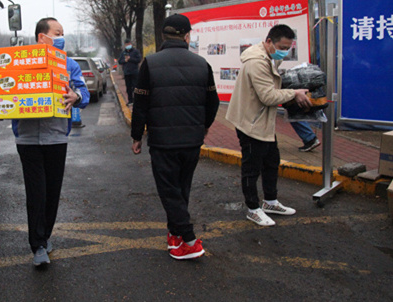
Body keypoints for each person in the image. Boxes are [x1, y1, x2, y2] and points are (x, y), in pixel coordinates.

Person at [131, 14, 220, 260]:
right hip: (191, 141)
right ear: (187, 35)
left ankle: (189, 240)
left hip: (162, 142)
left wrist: (137, 136)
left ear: (163, 35)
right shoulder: (202, 64)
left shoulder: (150, 63)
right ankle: (175, 238)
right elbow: (213, 102)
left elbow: (141, 104)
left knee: (170, 191)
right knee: (181, 189)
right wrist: (204, 127)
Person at [12, 17, 90, 266]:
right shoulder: (19, 60)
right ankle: (38, 245)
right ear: (42, 37)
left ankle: (44, 236)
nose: (62, 37)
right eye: (58, 33)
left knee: (52, 191)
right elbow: (1, 89)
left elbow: (84, 94)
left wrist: (75, 95)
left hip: (56, 136)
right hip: (27, 138)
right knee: (36, 193)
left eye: (62, 33)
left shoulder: (69, 64)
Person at [225, 24, 311, 227]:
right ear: (269, 41)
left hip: (262, 121)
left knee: (272, 161)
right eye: (282, 46)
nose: (284, 51)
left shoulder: (268, 56)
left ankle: (270, 202)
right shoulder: (257, 62)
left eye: (288, 48)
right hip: (251, 122)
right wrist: (295, 93)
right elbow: (268, 96)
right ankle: (253, 209)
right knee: (252, 167)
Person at [118, 38, 141, 105]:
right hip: (127, 73)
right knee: (128, 88)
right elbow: (120, 61)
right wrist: (124, 61)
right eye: (126, 44)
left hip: (134, 72)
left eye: (129, 44)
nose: (128, 45)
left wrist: (130, 59)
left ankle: (136, 100)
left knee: (135, 87)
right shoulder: (123, 53)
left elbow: (138, 60)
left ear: (131, 44)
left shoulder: (135, 51)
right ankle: (130, 100)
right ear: (125, 45)